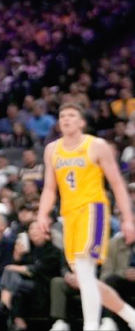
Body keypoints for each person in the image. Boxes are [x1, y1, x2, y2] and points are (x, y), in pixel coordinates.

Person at [38, 103, 135, 331]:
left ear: (82, 122)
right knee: (85, 278)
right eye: (62, 115)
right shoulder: (52, 149)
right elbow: (50, 188)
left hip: (93, 210)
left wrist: (128, 219)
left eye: (71, 115)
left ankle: (91, 326)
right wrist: (42, 213)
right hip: (69, 215)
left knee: (84, 271)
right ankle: (131, 316)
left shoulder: (96, 145)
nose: (66, 119)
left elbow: (117, 184)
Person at [0, 221, 60, 331]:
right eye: (31, 228)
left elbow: (38, 269)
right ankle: (19, 322)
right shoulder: (28, 249)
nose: (33, 231)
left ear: (46, 232)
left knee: (11, 273)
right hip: (24, 286)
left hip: (43, 286)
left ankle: (4, 303)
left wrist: (18, 268)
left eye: (37, 228)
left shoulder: (53, 250)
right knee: (17, 290)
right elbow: (17, 269)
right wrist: (17, 256)